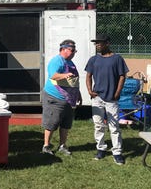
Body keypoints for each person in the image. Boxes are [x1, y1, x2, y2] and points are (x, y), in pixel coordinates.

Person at [85, 34, 128, 165]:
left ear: (107, 43)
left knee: (114, 126)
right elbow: (88, 76)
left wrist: (117, 92)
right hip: (97, 97)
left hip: (111, 98)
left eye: (100, 43)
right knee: (98, 125)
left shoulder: (117, 59)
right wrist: (90, 91)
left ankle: (117, 152)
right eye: (96, 43)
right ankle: (101, 149)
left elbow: (122, 76)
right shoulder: (93, 59)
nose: (97, 45)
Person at [41, 39, 81, 156]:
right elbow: (53, 75)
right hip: (54, 97)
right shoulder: (57, 61)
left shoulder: (70, 62)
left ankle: (62, 145)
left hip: (68, 99)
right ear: (63, 49)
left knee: (66, 123)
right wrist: (65, 75)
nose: (73, 53)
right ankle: (46, 146)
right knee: (52, 122)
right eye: (72, 50)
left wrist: (77, 93)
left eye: (75, 51)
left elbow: (73, 81)